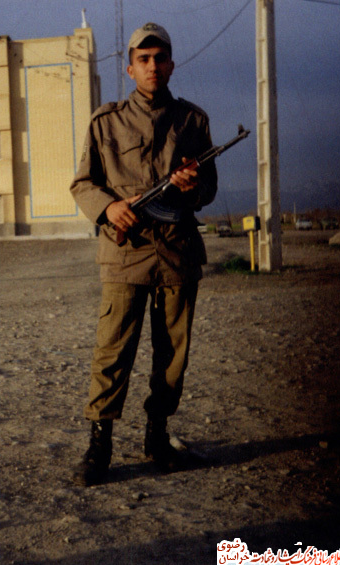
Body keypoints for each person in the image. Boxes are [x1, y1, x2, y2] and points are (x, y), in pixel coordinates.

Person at [70, 22, 217, 486]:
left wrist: (192, 187)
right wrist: (109, 208)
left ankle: (158, 436)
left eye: (160, 59)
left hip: (176, 251)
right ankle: (100, 445)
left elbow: (209, 190)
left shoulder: (193, 122)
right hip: (125, 253)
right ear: (130, 67)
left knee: (172, 353)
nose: (153, 67)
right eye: (144, 59)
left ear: (171, 65)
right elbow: (82, 183)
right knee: (112, 350)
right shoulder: (105, 122)